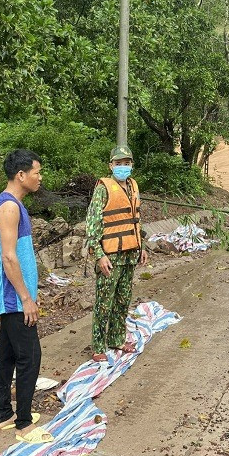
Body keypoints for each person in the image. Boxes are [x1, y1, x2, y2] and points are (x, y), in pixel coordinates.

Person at [0, 149, 43, 431]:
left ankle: (2, 415)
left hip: (12, 296)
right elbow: (9, 257)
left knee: (7, 354)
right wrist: (25, 298)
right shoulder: (8, 207)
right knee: (30, 356)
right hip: (13, 297)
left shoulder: (11, 204)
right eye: (37, 172)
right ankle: (23, 421)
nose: (40, 178)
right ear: (21, 175)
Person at [86, 145, 147, 362]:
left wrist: (142, 247)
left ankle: (117, 338)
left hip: (130, 253)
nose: (123, 167)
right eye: (118, 163)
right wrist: (99, 255)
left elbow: (136, 219)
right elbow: (93, 224)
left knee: (123, 300)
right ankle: (99, 345)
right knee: (104, 302)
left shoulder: (133, 186)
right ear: (111, 165)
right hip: (110, 256)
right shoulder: (104, 188)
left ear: (132, 165)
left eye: (127, 163)